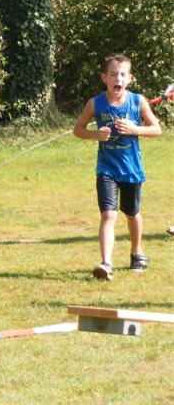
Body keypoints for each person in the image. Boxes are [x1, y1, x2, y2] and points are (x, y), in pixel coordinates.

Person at [73, 53, 161, 281]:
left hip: (131, 169)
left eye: (122, 74)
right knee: (108, 214)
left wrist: (134, 129)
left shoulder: (138, 101)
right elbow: (78, 130)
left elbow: (156, 129)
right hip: (106, 169)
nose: (118, 78)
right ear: (104, 77)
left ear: (129, 78)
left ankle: (137, 252)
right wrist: (96, 135)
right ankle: (106, 263)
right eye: (113, 74)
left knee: (132, 213)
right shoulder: (95, 103)